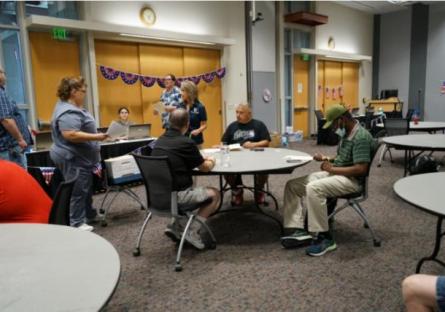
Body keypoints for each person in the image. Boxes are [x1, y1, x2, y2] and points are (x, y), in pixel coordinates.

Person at [280, 104, 375, 256]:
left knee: (313, 188)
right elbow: (344, 158)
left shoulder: (361, 137)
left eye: (334, 124)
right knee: (293, 185)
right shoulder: (347, 133)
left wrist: (332, 169)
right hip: (338, 174)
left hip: (352, 181)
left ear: (342, 119)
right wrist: (326, 158)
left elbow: (360, 169)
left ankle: (325, 238)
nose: (332, 128)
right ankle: (298, 230)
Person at [151, 108, 220, 250]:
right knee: (215, 194)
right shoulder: (186, 143)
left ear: (169, 122)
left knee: (185, 186)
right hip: (178, 198)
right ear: (187, 124)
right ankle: (192, 230)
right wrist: (212, 160)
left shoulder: (159, 141)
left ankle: (176, 226)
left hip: (156, 197)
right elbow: (205, 168)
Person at [49, 76, 108, 231]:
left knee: (85, 187)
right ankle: (77, 223)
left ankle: (89, 214)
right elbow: (70, 134)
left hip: (79, 157)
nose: (85, 94)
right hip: (72, 157)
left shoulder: (70, 107)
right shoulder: (68, 111)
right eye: (83, 91)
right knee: (78, 189)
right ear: (73, 92)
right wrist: (97, 137)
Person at [220, 102, 271, 205]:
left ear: (249, 113)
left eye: (241, 113)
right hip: (235, 158)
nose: (238, 115)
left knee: (265, 169)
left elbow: (266, 141)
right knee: (225, 169)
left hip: (256, 157)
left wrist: (253, 145)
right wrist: (222, 146)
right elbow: (223, 142)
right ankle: (237, 191)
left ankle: (259, 190)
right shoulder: (232, 126)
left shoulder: (259, 125)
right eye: (237, 112)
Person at [0, 67, 32, 167]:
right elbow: (6, 119)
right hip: (9, 148)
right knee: (18, 180)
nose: (4, 75)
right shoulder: (0, 93)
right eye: (2, 72)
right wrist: (20, 139)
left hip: (7, 148)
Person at [180, 80, 207, 148]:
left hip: (195, 141)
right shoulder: (180, 105)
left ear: (190, 92)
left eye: (183, 91)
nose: (181, 93)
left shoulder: (200, 107)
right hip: (182, 140)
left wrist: (198, 130)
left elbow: (204, 125)